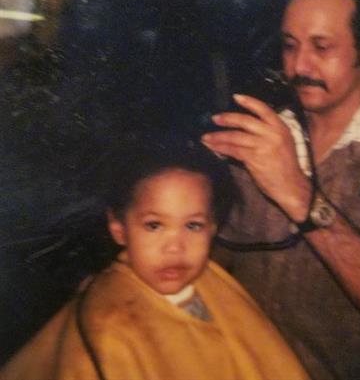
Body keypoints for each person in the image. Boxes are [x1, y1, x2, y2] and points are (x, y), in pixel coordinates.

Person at [201, 0, 360, 380]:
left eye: (322, 46)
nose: (299, 66)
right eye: (290, 46)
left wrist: (299, 194)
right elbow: (215, 262)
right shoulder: (261, 142)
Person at [0, 144, 310, 380]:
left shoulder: (213, 282)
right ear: (119, 227)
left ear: (213, 228)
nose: (175, 247)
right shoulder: (109, 327)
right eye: (154, 225)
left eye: (193, 225)